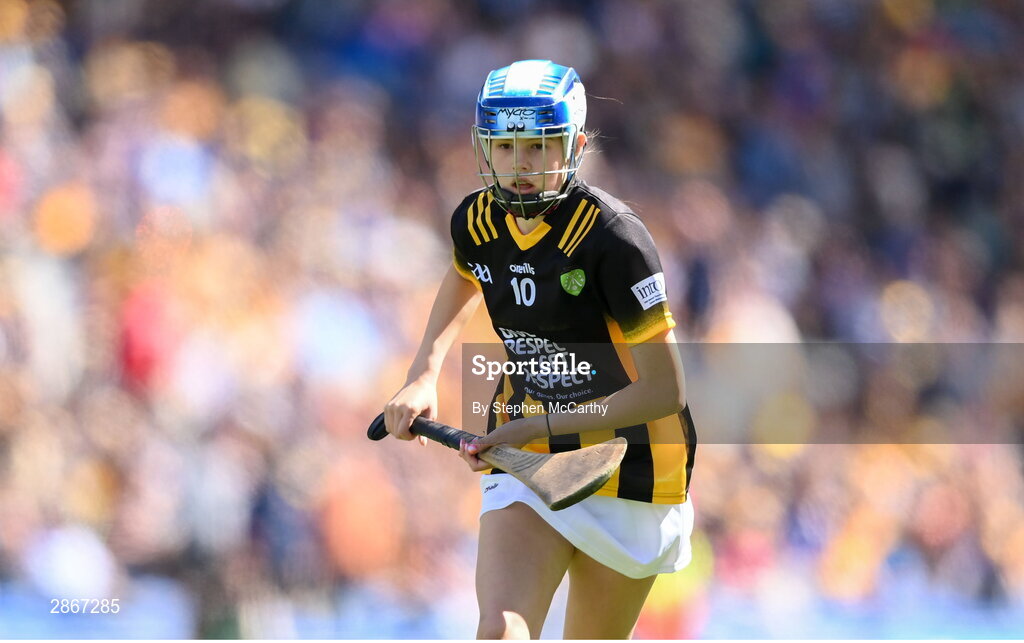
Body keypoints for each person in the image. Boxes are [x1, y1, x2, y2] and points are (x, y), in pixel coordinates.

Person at [384, 59, 696, 640]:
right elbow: (464, 274)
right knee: (500, 630)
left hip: (632, 467)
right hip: (527, 452)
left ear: (575, 145)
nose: (519, 165)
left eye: (537, 146)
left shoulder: (614, 239)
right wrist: (423, 374)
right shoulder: (475, 220)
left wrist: (541, 428)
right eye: (504, 147)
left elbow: (664, 390)